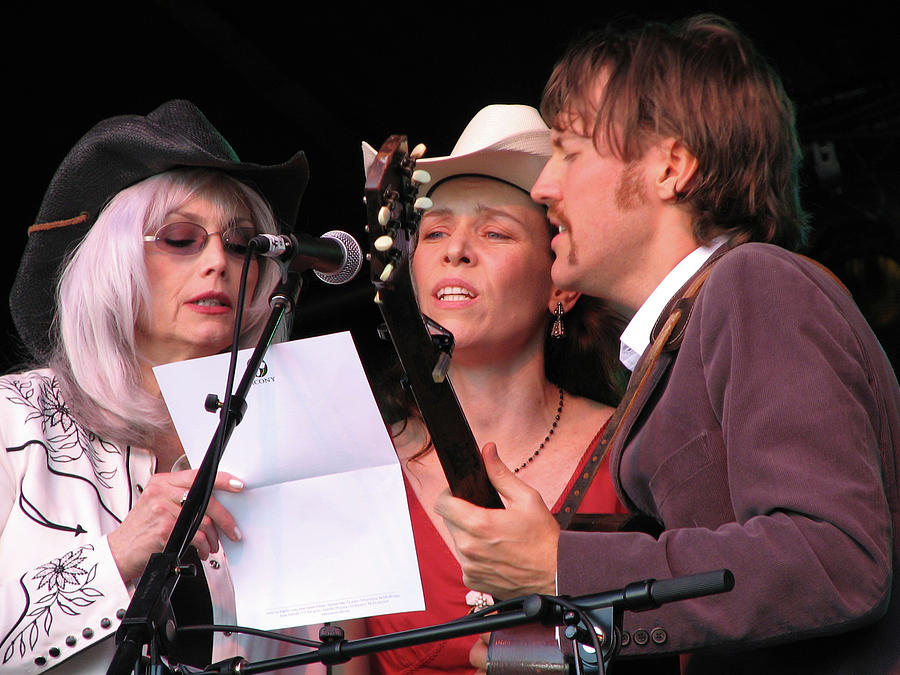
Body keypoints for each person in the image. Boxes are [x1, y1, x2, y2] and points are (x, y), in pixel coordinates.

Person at [433, 16, 900, 675]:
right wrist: (547, 620)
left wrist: (559, 564)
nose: (544, 187)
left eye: (568, 150)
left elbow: (831, 559)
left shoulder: (755, 283)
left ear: (670, 167)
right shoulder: (685, 336)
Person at [0, 100, 324, 674]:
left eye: (243, 243)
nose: (219, 262)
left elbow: (321, 652)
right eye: (181, 239)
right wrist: (121, 555)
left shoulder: (291, 433)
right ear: (113, 261)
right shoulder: (16, 419)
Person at [349, 104, 628, 674]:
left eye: (495, 232)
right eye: (435, 232)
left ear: (562, 289)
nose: (456, 250)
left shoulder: (631, 447)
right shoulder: (357, 458)